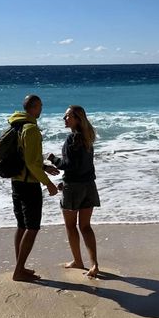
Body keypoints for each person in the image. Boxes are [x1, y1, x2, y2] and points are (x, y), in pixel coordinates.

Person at [8, 94, 59, 282]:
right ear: (34, 107)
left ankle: (19, 267)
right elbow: (30, 162)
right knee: (32, 227)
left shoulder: (17, 125)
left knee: (22, 226)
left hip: (16, 181)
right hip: (29, 185)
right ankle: (19, 270)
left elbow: (26, 159)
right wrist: (48, 183)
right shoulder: (31, 129)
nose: (42, 109)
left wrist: (45, 166)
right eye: (40, 106)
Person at [47, 105, 100, 278]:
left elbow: (68, 165)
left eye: (68, 116)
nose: (64, 118)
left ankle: (78, 261)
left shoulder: (72, 139)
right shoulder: (88, 137)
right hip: (89, 186)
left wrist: (53, 159)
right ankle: (94, 264)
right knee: (85, 226)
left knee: (71, 226)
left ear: (77, 118)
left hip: (74, 188)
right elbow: (81, 165)